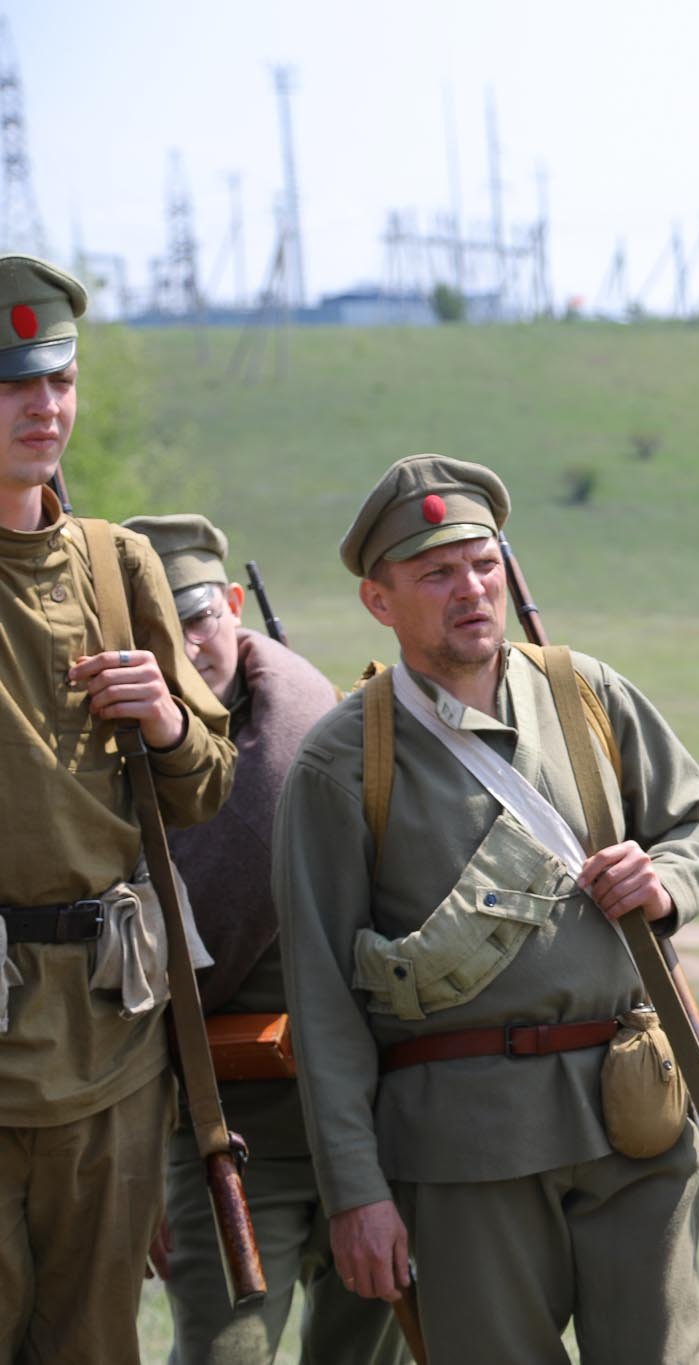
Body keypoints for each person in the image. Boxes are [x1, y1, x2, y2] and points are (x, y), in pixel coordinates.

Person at [273, 454, 699, 1365]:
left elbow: (695, 820)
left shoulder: (587, 693)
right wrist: (358, 1191)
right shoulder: (341, 760)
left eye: (483, 564)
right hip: (463, 1143)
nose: (470, 590)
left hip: (631, 1112)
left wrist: (666, 880)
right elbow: (322, 1001)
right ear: (379, 600)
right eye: (436, 573)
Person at [0, 255, 236, 1363]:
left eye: (58, 381)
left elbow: (206, 787)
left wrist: (168, 724)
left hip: (108, 1027)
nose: (43, 408)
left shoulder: (115, 562)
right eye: (11, 385)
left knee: (95, 1342)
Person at [124, 514, 404, 1365]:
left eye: (200, 615)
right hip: (220, 1129)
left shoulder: (336, 731)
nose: (188, 644)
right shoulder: (109, 762)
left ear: (236, 605)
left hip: (368, 1118)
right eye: (157, 631)